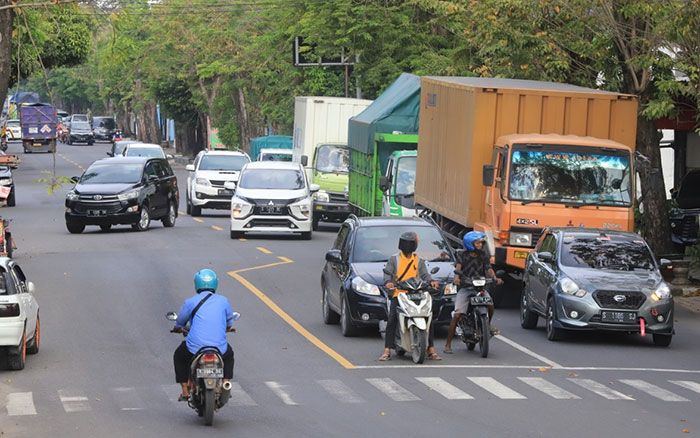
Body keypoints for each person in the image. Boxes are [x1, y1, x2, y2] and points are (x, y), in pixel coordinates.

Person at [173, 269, 238, 401]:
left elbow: (180, 322)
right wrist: (227, 328)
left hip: (195, 348)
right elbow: (229, 322)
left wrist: (178, 329)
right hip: (219, 348)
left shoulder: (190, 302)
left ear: (196, 283)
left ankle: (185, 390)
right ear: (215, 283)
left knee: (179, 356)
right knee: (229, 356)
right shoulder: (223, 301)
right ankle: (226, 383)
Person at [379, 231, 442, 361]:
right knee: (392, 320)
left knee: (428, 317)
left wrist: (432, 282)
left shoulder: (418, 260)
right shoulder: (394, 259)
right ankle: (387, 351)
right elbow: (387, 274)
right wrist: (388, 283)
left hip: (417, 293)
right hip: (400, 293)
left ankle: (431, 349)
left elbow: (425, 275)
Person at [444, 231, 503, 354]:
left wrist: (494, 278)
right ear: (470, 244)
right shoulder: (462, 255)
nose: (480, 245)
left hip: (480, 288)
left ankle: (487, 326)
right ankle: (448, 344)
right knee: (457, 315)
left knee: (491, 306)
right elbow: (458, 268)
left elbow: (488, 268)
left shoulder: (483, 255)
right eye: (477, 243)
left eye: (481, 242)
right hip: (466, 288)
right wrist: (457, 278)